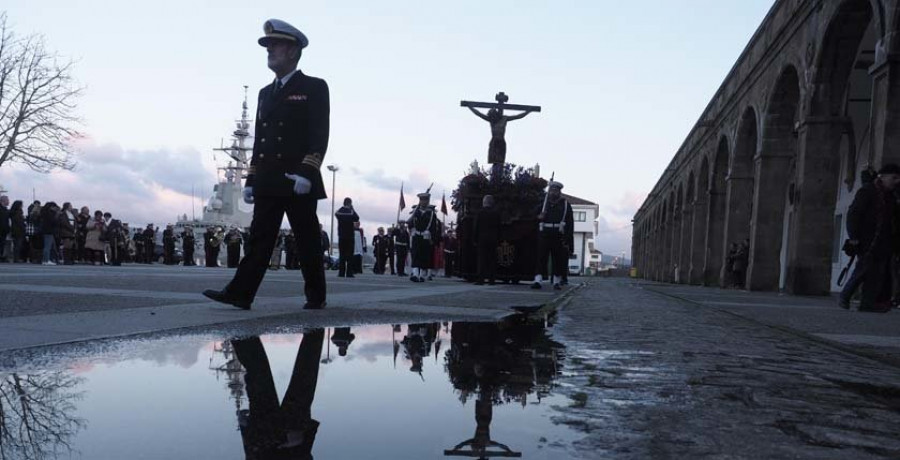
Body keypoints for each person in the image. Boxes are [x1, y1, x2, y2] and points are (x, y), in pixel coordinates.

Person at [204, 18, 330, 311]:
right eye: (268, 46)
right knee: (259, 240)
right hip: (269, 180)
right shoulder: (264, 93)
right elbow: (261, 142)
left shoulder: (314, 87)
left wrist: (308, 171)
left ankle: (316, 296)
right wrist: (250, 180)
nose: (269, 50)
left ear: (293, 51)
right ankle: (240, 293)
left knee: (307, 241)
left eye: (276, 45)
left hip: (297, 178)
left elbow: (319, 134)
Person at [231, 329, 324, 458]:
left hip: (265, 433)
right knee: (304, 375)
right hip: (286, 435)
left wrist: (245, 428)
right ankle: (242, 333)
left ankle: (241, 332)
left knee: (260, 375)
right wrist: (301, 440)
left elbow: (251, 456)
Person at [839, 163, 900, 312]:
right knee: (863, 270)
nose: (896, 181)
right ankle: (845, 296)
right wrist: (853, 236)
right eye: (894, 178)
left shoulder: (891, 196)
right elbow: (854, 214)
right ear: (883, 176)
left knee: (876, 273)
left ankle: (867, 303)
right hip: (867, 240)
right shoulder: (867, 191)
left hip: (884, 241)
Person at [531, 182, 573, 290]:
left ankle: (556, 281)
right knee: (541, 258)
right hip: (544, 233)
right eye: (552, 190)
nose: (553, 192)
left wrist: (567, 238)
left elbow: (570, 222)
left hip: (558, 234)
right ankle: (538, 280)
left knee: (557, 259)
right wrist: (539, 216)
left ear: (559, 192)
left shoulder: (565, 205)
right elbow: (533, 216)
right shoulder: (543, 203)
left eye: (556, 190)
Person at [407, 192, 441, 282]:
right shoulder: (416, 212)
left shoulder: (431, 214)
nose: (424, 202)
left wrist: (432, 238)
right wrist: (411, 229)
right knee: (415, 254)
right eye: (422, 200)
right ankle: (415, 274)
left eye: (426, 200)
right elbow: (410, 223)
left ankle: (421, 275)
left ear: (428, 201)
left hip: (426, 237)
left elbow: (434, 227)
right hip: (416, 235)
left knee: (424, 255)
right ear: (420, 201)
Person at [474, 195, 501, 285]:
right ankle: (492, 280)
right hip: (493, 239)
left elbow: (476, 227)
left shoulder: (480, 213)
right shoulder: (496, 213)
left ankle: (480, 279)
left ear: (484, 202)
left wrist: (475, 239)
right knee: (492, 259)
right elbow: (499, 227)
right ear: (492, 203)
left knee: (481, 259)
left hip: (482, 239)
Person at [334, 198, 359, 277]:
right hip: (350, 235)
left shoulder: (339, 212)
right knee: (349, 255)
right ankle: (349, 273)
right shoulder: (351, 212)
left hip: (341, 235)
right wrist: (352, 208)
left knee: (342, 254)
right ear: (350, 203)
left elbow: (336, 214)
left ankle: (341, 272)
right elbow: (357, 218)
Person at [0, 196, 9, 262]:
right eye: (7, 200)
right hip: (1, 230)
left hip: (4, 230)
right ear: (3, 201)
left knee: (2, 244)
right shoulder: (2, 209)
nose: (8, 201)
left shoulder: (5, 209)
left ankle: (1, 256)